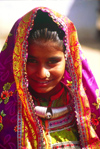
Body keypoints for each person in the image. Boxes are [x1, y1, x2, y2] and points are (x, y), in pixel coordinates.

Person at [0, 7, 100, 149]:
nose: (42, 73)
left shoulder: (84, 108)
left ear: (69, 60)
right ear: (17, 61)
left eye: (52, 61)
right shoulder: (5, 109)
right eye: (32, 61)